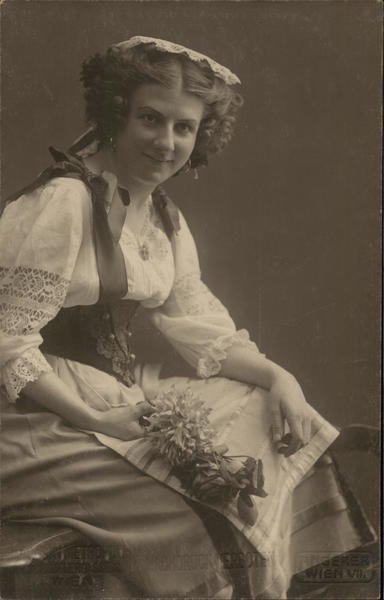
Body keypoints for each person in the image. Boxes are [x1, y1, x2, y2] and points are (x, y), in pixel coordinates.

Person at [0, 36, 339, 598]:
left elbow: (202, 330)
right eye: (150, 120)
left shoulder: (161, 217)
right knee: (200, 511)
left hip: (99, 398)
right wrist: (97, 420)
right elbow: (7, 344)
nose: (167, 143)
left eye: (184, 128)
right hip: (24, 418)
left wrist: (283, 378)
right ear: (116, 116)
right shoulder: (64, 202)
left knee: (269, 420)